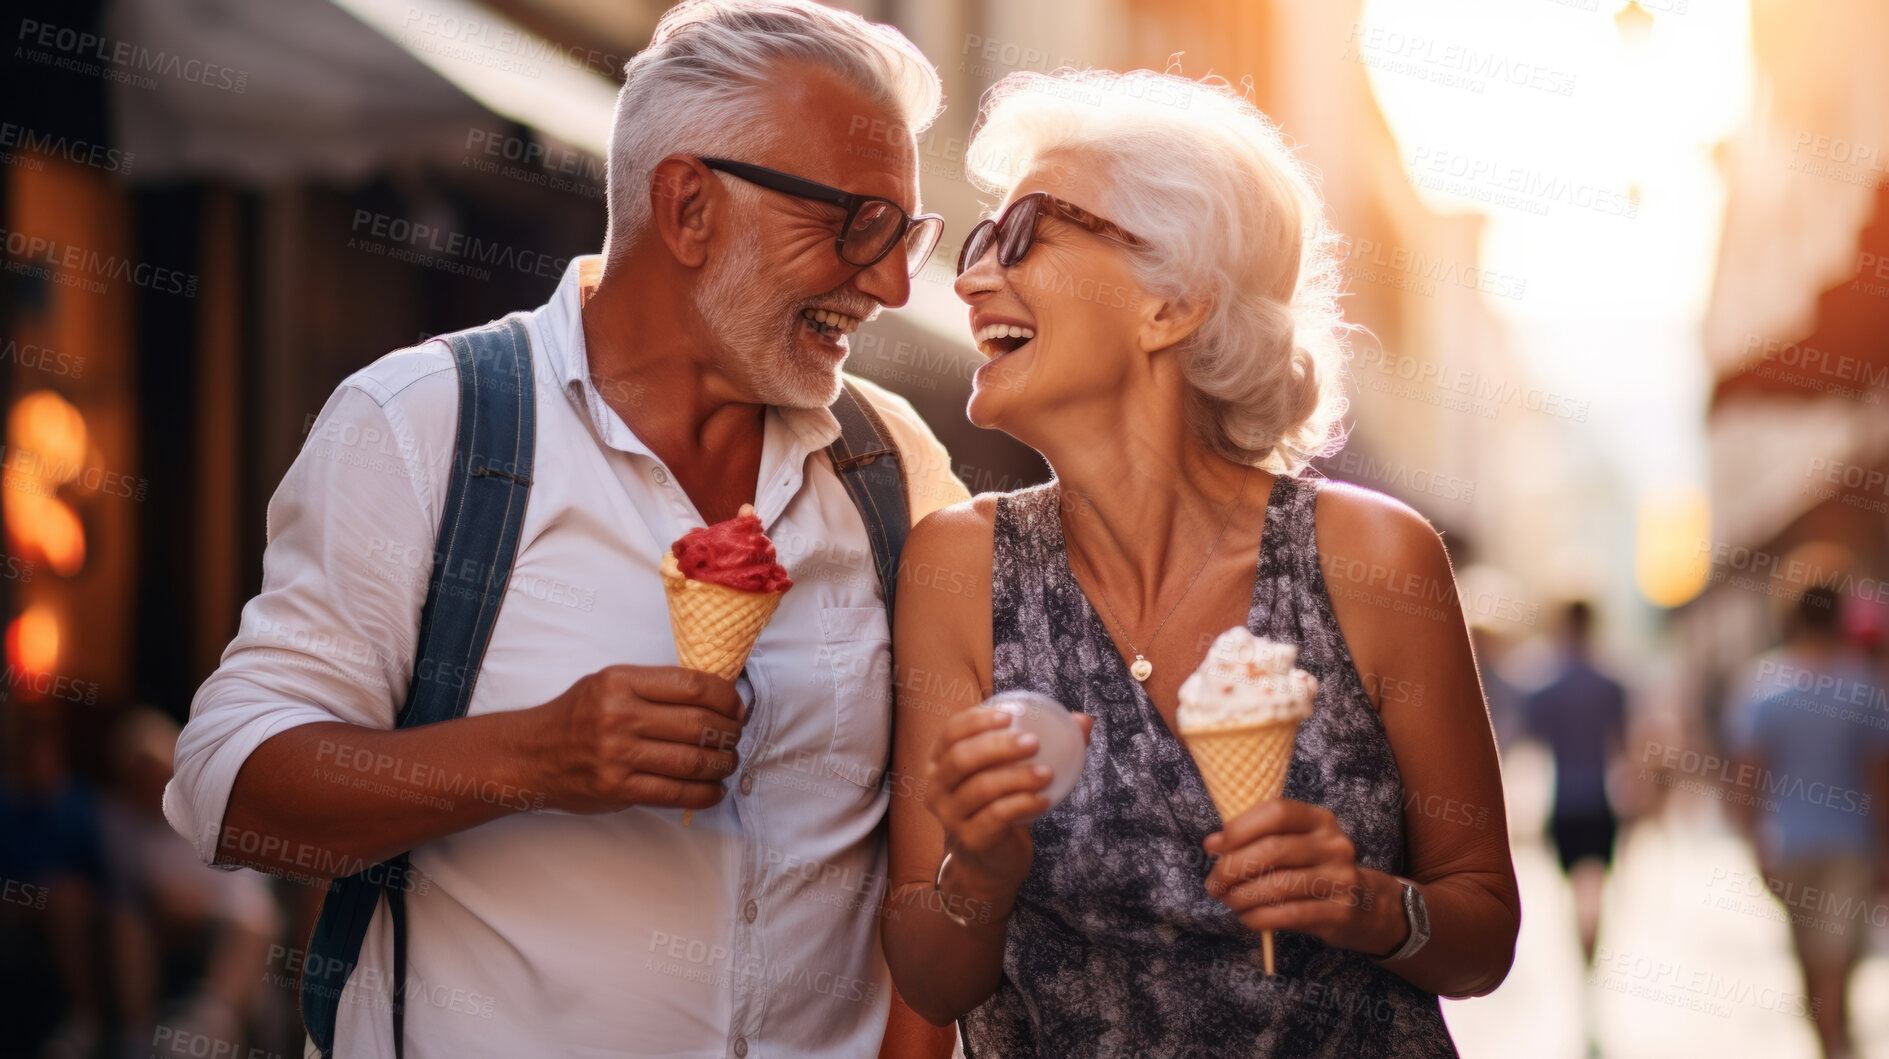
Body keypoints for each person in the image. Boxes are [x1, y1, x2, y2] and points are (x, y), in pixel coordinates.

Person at [165, 2, 966, 1054]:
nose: (894, 282)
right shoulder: (422, 423)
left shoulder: (890, 467)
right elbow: (226, 791)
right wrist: (535, 757)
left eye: (906, 232)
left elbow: (936, 858)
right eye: (856, 224)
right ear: (687, 208)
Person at [881, 68, 1519, 1056]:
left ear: (1170, 304)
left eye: (1023, 236)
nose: (969, 280)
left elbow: (1480, 938)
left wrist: (1367, 905)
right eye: (974, 244)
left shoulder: (1371, 559)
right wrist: (977, 872)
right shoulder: (957, 568)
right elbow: (927, 978)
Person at [1733, 585, 1889, 1059]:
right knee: (1834, 963)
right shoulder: (1863, 684)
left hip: (1791, 846)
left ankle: (1833, 1043)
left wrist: (1754, 843)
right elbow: (1878, 776)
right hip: (1851, 846)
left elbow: (1749, 777)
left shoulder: (1764, 686)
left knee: (1816, 963)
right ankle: (1835, 1041)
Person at [1519, 600, 1627, 966]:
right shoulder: (1611, 684)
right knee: (1593, 888)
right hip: (1600, 799)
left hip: (1562, 801)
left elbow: (1529, 742)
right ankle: (1590, 952)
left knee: (1571, 889)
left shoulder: (1544, 687)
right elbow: (1624, 745)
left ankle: (1582, 953)